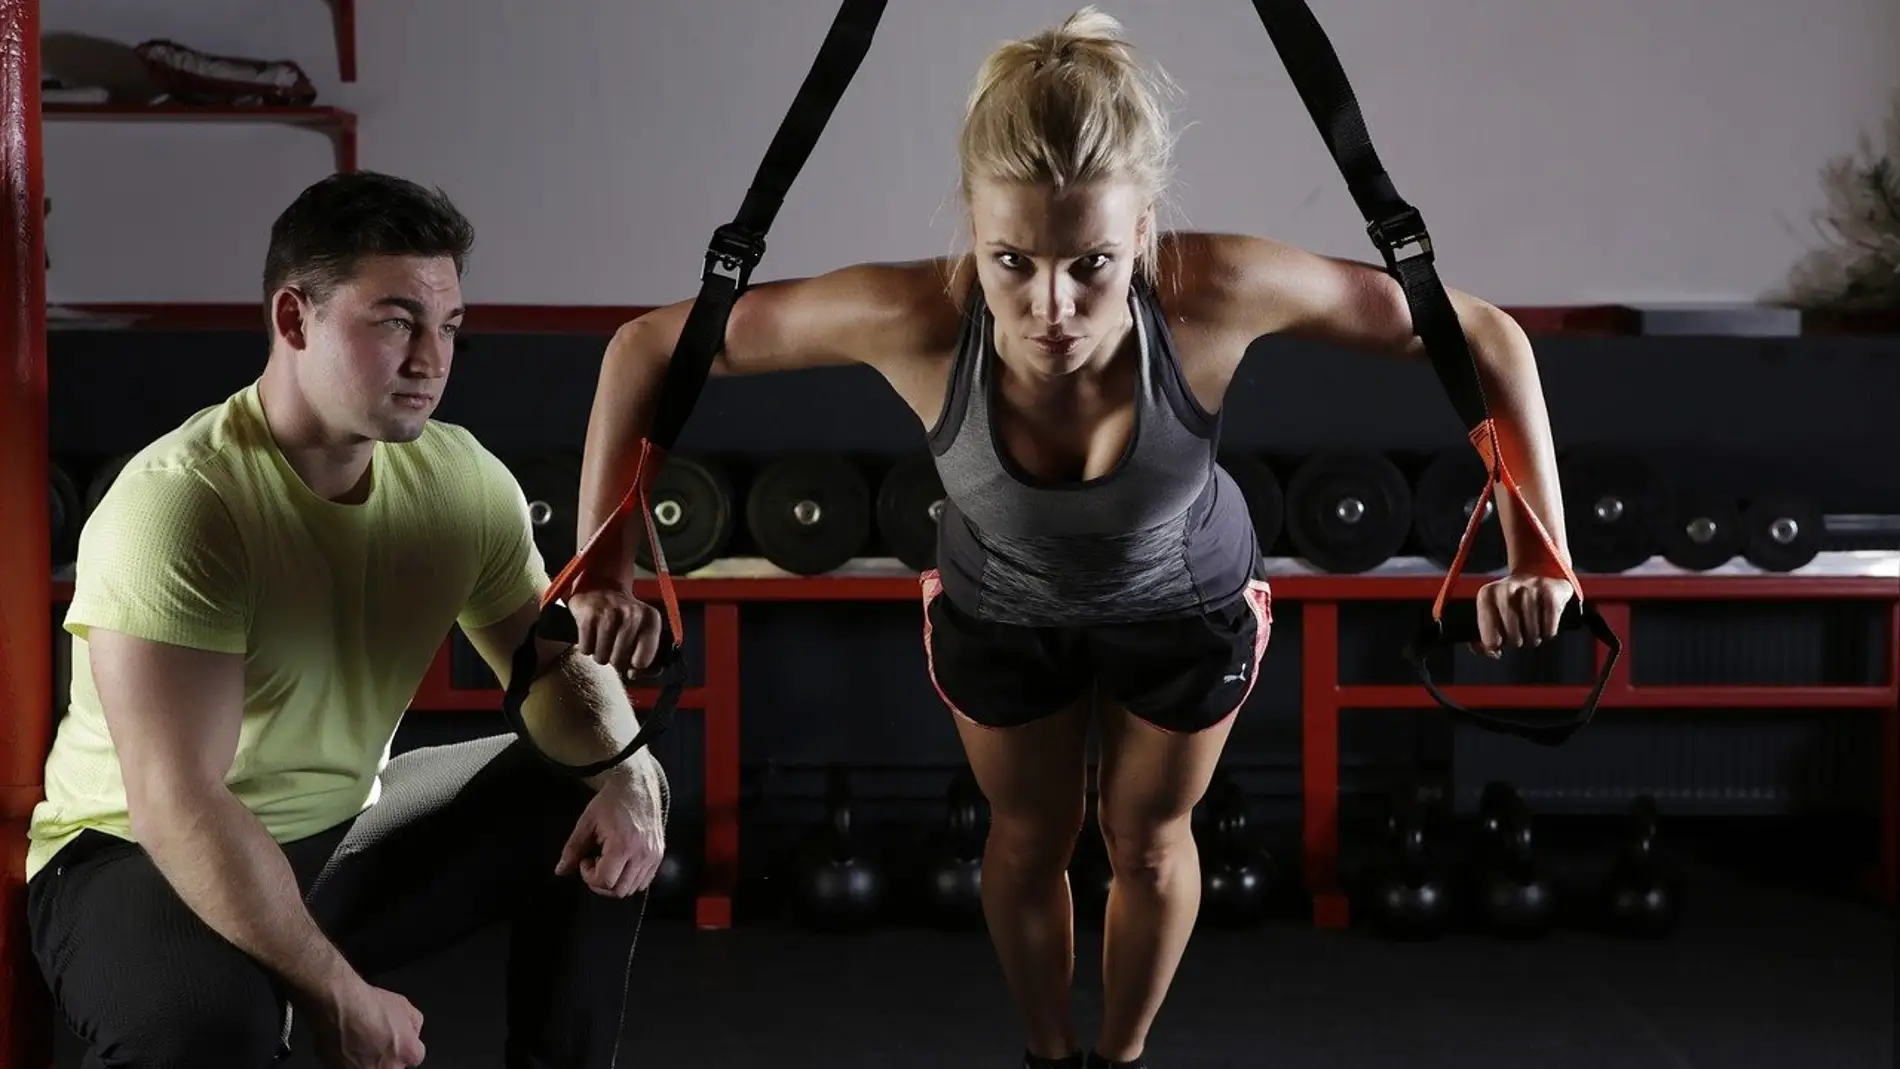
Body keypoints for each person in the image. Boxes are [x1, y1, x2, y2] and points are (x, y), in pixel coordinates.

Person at [570, 8, 1575, 1068]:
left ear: (1143, 230)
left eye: (1092, 261)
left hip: (1186, 605)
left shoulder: (1214, 290)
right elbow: (646, 348)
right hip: (1001, 609)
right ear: (971, 224)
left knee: (1146, 843)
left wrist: (1537, 547)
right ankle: (1048, 1056)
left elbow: (1484, 337)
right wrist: (603, 562)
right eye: (1011, 259)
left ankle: (1122, 1056)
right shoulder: (914, 314)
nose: (1050, 304)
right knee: (1026, 840)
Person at [24, 170, 670, 1069]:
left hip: (338, 832)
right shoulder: (183, 505)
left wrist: (626, 768)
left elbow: (552, 665)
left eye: (447, 327)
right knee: (209, 1033)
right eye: (396, 321)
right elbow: (178, 801)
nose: (430, 360)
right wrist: (338, 993)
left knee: (596, 783)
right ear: (294, 320)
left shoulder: (460, 480)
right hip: (135, 854)